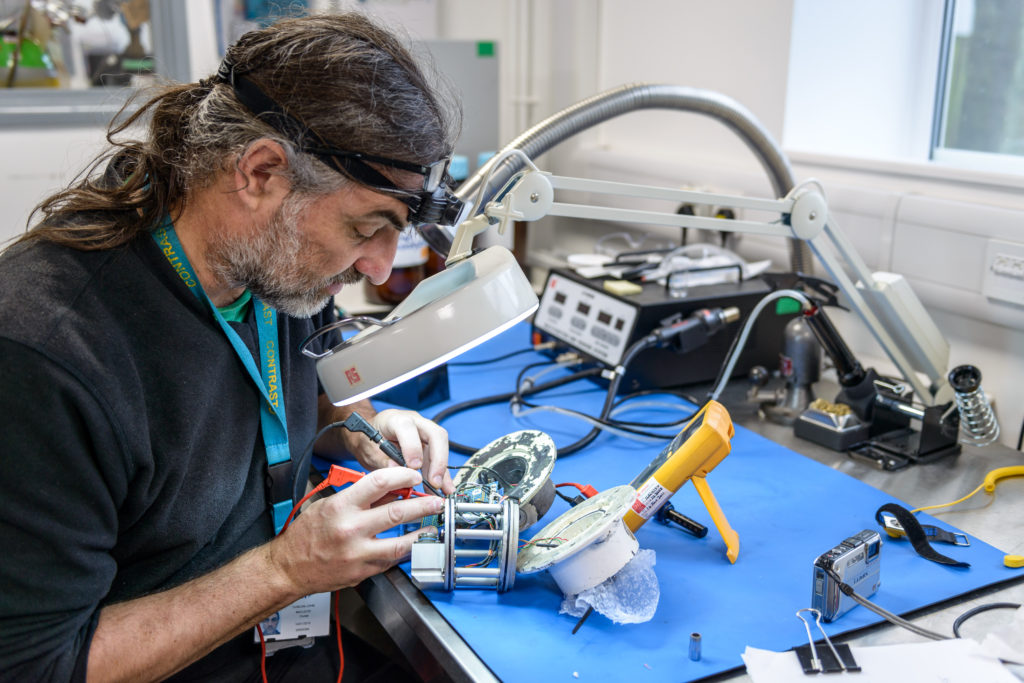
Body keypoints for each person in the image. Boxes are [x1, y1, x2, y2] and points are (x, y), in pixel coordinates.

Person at [0, 12, 464, 682]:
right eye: (368, 227)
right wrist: (283, 570)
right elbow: (37, 665)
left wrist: (357, 427)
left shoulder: (274, 265)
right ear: (260, 171)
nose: (381, 270)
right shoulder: (46, 356)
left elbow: (262, 405)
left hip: (289, 653)